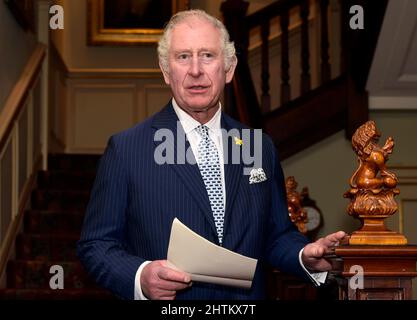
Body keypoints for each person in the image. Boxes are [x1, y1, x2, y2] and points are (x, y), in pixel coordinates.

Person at [77, 9, 347, 300]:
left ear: (229, 69)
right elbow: (96, 245)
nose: (195, 70)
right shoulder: (127, 150)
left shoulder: (258, 146)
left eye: (207, 55)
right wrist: (140, 276)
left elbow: (276, 234)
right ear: (166, 71)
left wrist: (303, 255)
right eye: (183, 57)